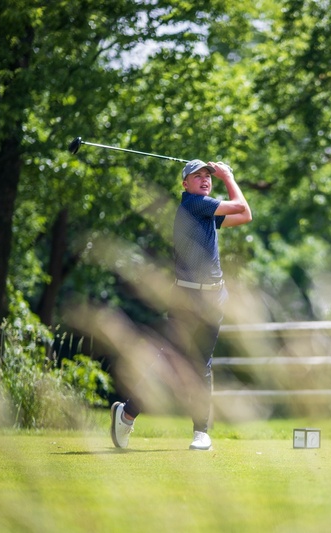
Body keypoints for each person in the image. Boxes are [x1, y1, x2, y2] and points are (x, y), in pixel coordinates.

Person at [109, 158, 252, 451]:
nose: (205, 179)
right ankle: (127, 414)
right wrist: (227, 176)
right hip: (188, 299)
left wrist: (225, 178)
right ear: (185, 184)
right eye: (197, 176)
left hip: (214, 297)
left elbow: (245, 215)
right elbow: (239, 205)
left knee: (202, 364)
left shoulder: (206, 213)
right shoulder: (193, 204)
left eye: (208, 176)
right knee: (171, 361)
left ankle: (201, 432)